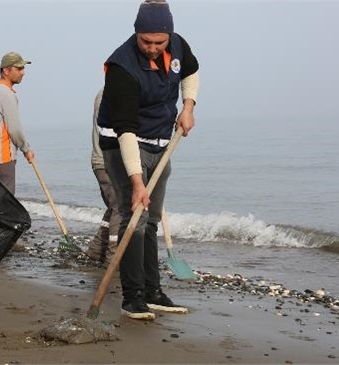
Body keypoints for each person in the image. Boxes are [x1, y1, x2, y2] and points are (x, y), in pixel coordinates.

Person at [96, 0, 200, 320]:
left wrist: (188, 107)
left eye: (159, 42)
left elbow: (192, 72)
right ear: (136, 34)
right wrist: (137, 181)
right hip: (122, 144)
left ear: (168, 35)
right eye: (146, 42)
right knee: (134, 219)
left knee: (152, 218)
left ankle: (153, 291)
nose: (153, 48)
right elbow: (125, 130)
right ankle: (133, 297)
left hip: (161, 142)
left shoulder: (178, 45)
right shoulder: (121, 68)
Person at [0, 51, 34, 194]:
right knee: (6, 199)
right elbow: (14, 129)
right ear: (6, 71)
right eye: (18, 69)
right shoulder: (6, 94)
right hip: (2, 155)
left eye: (23, 68)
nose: (23, 73)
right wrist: (26, 149)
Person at [86, 88, 121, 263]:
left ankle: (97, 249)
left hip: (106, 161)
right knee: (119, 205)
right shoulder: (108, 95)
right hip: (106, 162)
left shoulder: (107, 93)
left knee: (114, 206)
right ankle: (113, 255)